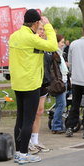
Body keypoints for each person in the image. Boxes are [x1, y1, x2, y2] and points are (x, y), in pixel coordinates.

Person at [9, 9, 58, 165]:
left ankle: (18, 152)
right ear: (36, 23)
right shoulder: (30, 38)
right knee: (28, 120)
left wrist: (38, 37)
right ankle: (24, 153)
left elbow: (33, 48)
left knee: (20, 118)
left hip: (18, 82)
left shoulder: (15, 36)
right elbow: (52, 45)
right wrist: (49, 27)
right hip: (31, 83)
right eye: (40, 24)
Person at [28, 24, 52, 154]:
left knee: (40, 111)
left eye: (43, 29)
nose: (42, 32)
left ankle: (35, 140)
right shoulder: (32, 44)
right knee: (31, 112)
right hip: (33, 82)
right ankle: (28, 141)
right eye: (39, 29)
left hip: (45, 81)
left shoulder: (46, 46)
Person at [50, 34, 69, 134]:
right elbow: (54, 70)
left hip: (63, 81)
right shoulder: (55, 54)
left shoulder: (59, 53)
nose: (63, 44)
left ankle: (57, 125)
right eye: (61, 42)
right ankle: (56, 126)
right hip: (59, 82)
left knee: (61, 104)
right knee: (61, 104)